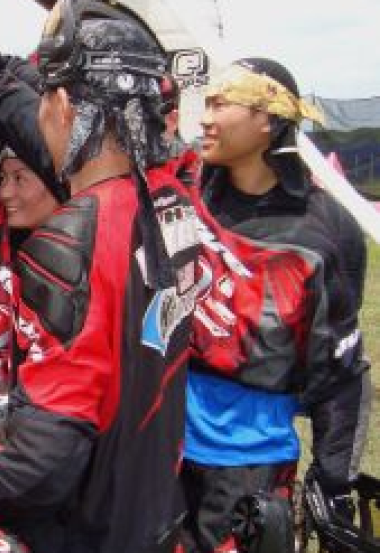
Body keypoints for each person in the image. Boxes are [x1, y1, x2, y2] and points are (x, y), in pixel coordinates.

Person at [0, 2, 201, 551]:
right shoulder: (173, 202)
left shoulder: (70, 238)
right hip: (155, 508)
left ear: (60, 106)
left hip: (87, 526)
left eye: (44, 99)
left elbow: (51, 445)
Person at [181, 57, 373, 553]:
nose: (205, 118)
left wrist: (333, 483)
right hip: (160, 454)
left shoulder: (323, 232)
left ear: (266, 117)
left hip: (251, 470)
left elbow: (343, 372)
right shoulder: (185, 201)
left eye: (220, 104)